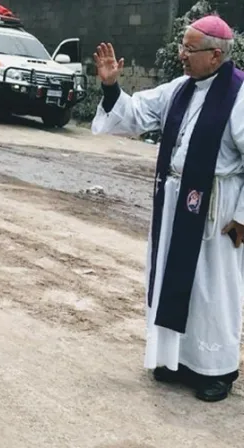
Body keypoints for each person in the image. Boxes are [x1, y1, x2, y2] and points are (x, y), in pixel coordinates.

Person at [91, 15, 244, 402]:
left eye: (189, 50)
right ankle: (175, 360)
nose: (181, 55)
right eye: (181, 47)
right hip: (176, 201)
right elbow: (137, 113)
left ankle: (217, 369)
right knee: (175, 283)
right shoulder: (181, 89)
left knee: (213, 291)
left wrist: (243, 215)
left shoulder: (239, 95)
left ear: (215, 55)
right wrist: (111, 86)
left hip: (217, 210)